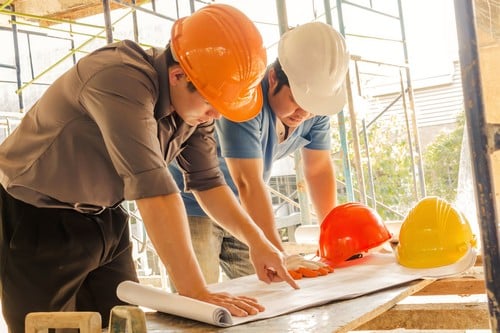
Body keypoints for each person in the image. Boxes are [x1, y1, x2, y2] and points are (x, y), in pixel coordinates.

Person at [0, 4, 298, 333]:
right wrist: (196, 292)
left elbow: (208, 183)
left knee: (124, 325)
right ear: (178, 74)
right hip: (36, 216)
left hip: (106, 218)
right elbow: (154, 191)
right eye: (211, 103)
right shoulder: (120, 76)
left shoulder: (194, 110)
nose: (215, 116)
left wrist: (258, 243)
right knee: (46, 329)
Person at [169, 22, 350, 283]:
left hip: (246, 210)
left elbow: (318, 169)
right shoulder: (244, 97)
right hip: (195, 203)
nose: (304, 114)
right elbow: (248, 182)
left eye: (312, 106)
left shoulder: (314, 109)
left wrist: (332, 237)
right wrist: (280, 252)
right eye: (298, 101)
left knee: (269, 290)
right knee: (201, 300)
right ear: (273, 77)